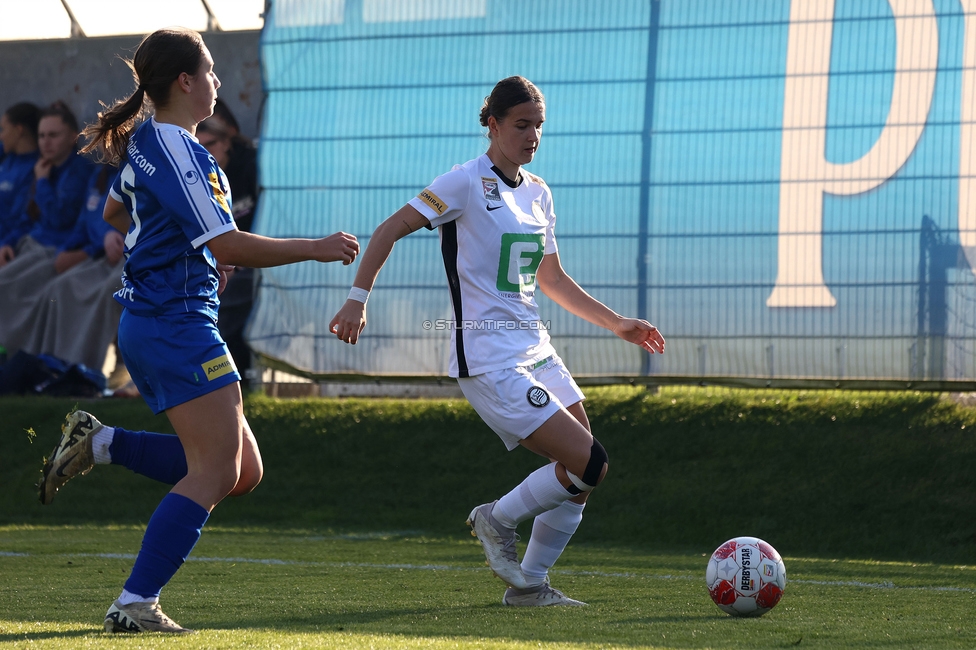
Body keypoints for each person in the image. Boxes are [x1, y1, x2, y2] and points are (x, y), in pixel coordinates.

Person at [36, 27, 359, 634]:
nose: (217, 83)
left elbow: (117, 209)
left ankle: (102, 444)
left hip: (158, 320)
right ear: (186, 81)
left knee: (241, 471)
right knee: (215, 471)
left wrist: (190, 250)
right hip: (175, 324)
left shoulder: (147, 144)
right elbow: (229, 240)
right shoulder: (180, 149)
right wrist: (315, 248)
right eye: (210, 72)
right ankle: (134, 604)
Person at [330, 76, 666, 607]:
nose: (531, 135)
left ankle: (530, 588)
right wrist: (357, 297)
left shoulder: (538, 192)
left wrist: (618, 323)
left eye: (538, 125)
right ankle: (496, 518)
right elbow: (389, 228)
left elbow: (552, 279)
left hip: (536, 348)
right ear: (492, 124)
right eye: (520, 124)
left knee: (583, 475)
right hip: (488, 357)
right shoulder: (463, 182)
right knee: (591, 463)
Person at [0, 101, 93, 354]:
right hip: (32, 244)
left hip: (55, 250)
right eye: (41, 136)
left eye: (53, 135)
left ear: (73, 136)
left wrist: (42, 183)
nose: (46, 142)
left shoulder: (79, 171)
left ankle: (15, 358)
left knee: (5, 286)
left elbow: (59, 218)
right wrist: (7, 243)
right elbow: (29, 219)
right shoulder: (44, 167)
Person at [21, 164, 125, 372]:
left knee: (110, 290)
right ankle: (52, 367)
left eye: (53, 135)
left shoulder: (137, 169)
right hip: (96, 254)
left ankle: (89, 370)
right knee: (58, 288)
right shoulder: (99, 174)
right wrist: (67, 251)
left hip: (124, 256)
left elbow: (60, 218)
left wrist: (108, 241)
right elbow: (84, 222)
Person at [196, 108, 259, 387]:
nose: (206, 153)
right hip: (220, 262)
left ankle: (218, 377)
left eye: (211, 145)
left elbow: (270, 223)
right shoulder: (195, 177)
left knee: (231, 294)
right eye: (200, 147)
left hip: (257, 261)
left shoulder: (253, 167)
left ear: (226, 142)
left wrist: (239, 260)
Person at [0, 102, 41, 244]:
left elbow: (18, 220)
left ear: (18, 130)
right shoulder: (9, 157)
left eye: (3, 130)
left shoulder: (34, 169)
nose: (1, 136)